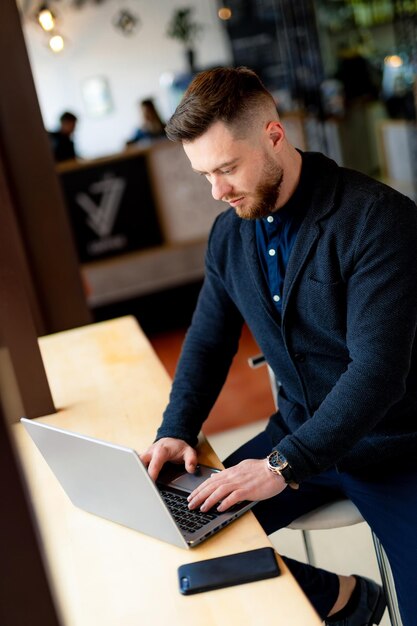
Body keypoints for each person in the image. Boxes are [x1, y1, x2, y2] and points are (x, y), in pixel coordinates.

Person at [140, 67, 417, 626]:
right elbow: (208, 340)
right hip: (296, 437)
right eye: (204, 175)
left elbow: (378, 372)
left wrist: (282, 464)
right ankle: (344, 598)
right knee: (178, 538)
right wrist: (176, 427)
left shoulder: (377, 220)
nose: (217, 191)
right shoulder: (229, 234)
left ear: (273, 135)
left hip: (396, 447)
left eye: (226, 168)